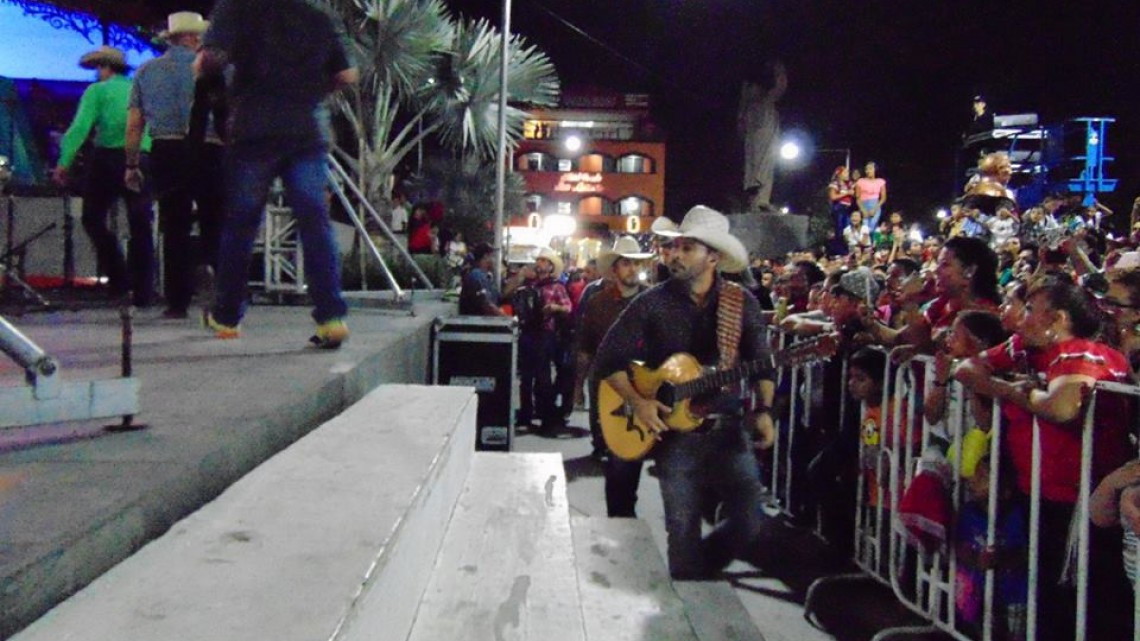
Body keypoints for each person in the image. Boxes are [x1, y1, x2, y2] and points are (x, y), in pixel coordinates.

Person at [594, 205, 775, 579]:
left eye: (686, 248)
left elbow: (761, 359)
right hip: (677, 437)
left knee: (750, 520)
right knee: (682, 529)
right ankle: (687, 600)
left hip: (727, 428)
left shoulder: (741, 303)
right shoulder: (652, 301)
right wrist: (639, 402)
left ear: (713, 256)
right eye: (672, 246)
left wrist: (766, 410)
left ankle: (696, 574)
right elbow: (608, 359)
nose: (673, 254)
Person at [954, 275, 1133, 641]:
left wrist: (1013, 393)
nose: (1021, 319)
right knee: (1047, 599)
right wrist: (1004, 387)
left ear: (1058, 320)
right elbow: (966, 367)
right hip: (1039, 496)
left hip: (1078, 504)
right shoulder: (1025, 348)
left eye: (1031, 311)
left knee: (1082, 605)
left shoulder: (1084, 353)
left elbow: (1064, 408)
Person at [196, 0, 358, 347]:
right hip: (307, 130)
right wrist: (308, 91)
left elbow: (210, 61)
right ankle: (331, 317)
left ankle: (226, 316)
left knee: (241, 224)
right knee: (315, 222)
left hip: (254, 128)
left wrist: (212, 68)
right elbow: (346, 75)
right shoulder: (318, 17)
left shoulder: (236, 10)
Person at [125, 11, 224, 319]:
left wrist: (131, 164)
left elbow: (134, 125)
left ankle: (177, 301)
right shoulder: (214, 71)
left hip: (166, 149)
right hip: (209, 149)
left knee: (174, 224)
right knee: (214, 220)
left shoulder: (145, 72)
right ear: (194, 39)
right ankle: (219, 286)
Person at [53, 46, 155, 307]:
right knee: (140, 224)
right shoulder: (139, 86)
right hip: (142, 156)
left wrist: (64, 162)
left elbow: (80, 127)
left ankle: (119, 278)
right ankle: (144, 289)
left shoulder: (97, 91)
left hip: (108, 158)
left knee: (93, 218)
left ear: (104, 67)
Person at [575, 237, 652, 511]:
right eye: (626, 263)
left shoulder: (653, 300)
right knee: (616, 455)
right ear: (615, 269)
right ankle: (621, 513)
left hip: (643, 386)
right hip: (606, 384)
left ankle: (623, 507)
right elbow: (585, 347)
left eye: (636, 263)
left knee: (633, 454)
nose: (632, 269)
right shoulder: (598, 303)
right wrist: (577, 389)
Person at [514, 247, 572, 432]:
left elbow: (568, 308)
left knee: (543, 376)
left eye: (543, 260)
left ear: (550, 266)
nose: (539, 263)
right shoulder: (529, 285)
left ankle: (544, 413)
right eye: (538, 260)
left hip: (545, 334)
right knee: (526, 376)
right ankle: (525, 414)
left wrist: (554, 307)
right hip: (528, 333)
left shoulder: (556, 286)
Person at [828, 166, 854, 254]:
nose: (847, 174)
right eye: (845, 173)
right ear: (840, 174)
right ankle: (839, 251)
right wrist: (846, 193)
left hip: (847, 209)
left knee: (847, 230)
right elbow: (833, 197)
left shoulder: (848, 184)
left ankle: (846, 250)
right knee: (839, 230)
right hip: (839, 208)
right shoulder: (835, 184)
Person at [854, 161, 887, 231]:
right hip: (863, 205)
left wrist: (875, 209)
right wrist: (863, 210)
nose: (868, 171)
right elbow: (858, 198)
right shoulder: (860, 181)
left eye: (870, 169)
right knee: (864, 228)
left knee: (873, 227)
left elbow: (883, 198)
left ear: (875, 169)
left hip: (875, 205)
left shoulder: (881, 181)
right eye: (866, 169)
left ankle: (873, 241)